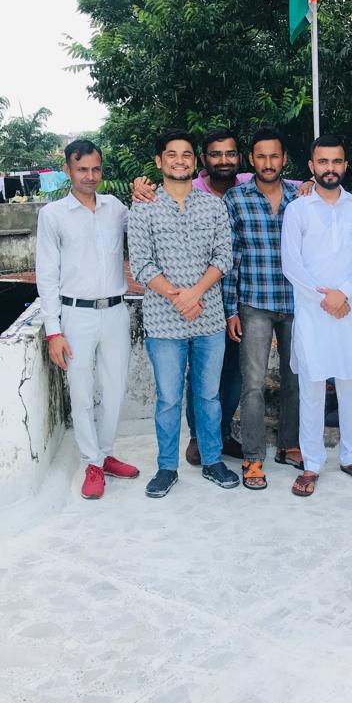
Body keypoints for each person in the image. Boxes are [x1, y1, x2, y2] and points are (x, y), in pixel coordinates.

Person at [128, 130, 235, 498]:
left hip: (209, 318)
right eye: (171, 154)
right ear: (159, 161)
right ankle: (167, 467)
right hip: (163, 321)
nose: (179, 160)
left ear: (196, 161)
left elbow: (223, 257)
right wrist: (178, 298)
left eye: (186, 154)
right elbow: (142, 264)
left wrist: (195, 293)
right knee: (169, 399)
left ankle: (212, 461)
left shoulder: (214, 207)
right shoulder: (143, 206)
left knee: (209, 397)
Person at [36, 139, 139, 500]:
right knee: (80, 391)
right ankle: (91, 463)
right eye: (82, 169)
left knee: (115, 388)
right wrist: (54, 332)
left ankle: (106, 454)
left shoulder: (115, 208)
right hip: (75, 314)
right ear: (68, 170)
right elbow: (46, 275)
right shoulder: (53, 215)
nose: (90, 176)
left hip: (115, 311)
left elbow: (144, 224)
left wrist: (144, 193)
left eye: (96, 169)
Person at [281, 134, 352, 495]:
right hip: (313, 314)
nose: (330, 168)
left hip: (350, 311)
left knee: (351, 383)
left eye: (337, 161)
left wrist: (344, 293)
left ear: (345, 166)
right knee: (311, 387)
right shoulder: (297, 210)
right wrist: (326, 299)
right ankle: (311, 464)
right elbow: (292, 264)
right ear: (312, 166)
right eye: (323, 162)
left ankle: (351, 456)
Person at [223, 127, 302, 490]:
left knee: (295, 377)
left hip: (296, 302)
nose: (268, 163)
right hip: (253, 302)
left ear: (283, 159)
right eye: (261, 156)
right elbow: (231, 257)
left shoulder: (300, 198)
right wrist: (231, 309)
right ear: (251, 160)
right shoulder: (235, 199)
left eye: (275, 156)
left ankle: (290, 445)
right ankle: (253, 456)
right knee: (253, 383)